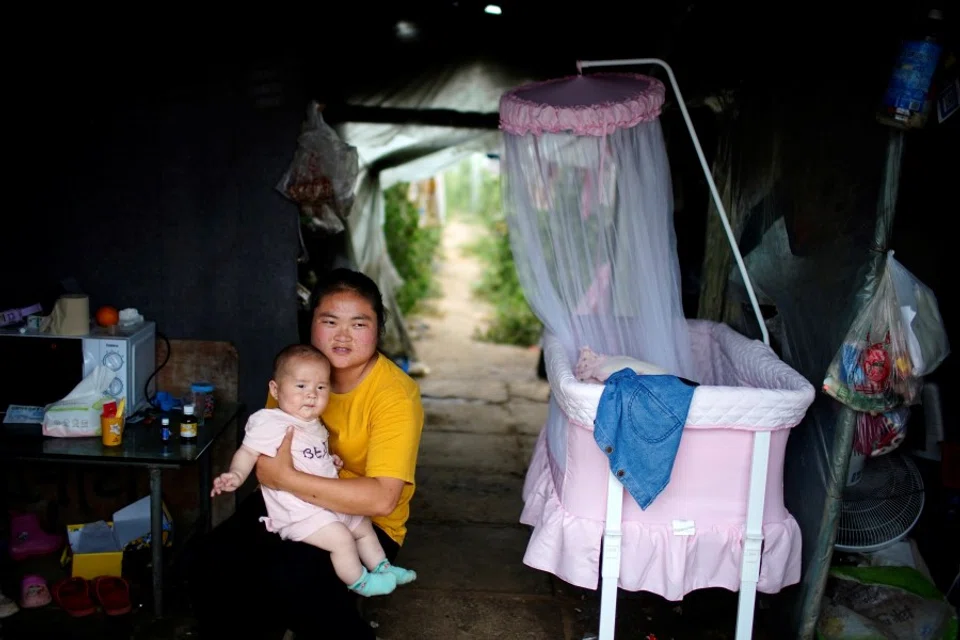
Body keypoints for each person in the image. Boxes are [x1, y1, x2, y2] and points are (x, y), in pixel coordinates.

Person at [188, 269, 425, 639]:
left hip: (366, 524)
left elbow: (381, 498)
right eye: (330, 321)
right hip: (290, 505)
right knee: (211, 559)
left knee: (292, 576)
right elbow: (265, 466)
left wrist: (288, 478)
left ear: (378, 329)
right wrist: (279, 482)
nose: (343, 335)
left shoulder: (394, 395)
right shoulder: (295, 374)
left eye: (359, 324)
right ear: (311, 324)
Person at [210, 343, 416, 597]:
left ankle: (383, 567)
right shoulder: (269, 421)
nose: (311, 395)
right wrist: (236, 475)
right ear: (275, 389)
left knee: (362, 526)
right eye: (301, 386)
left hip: (324, 501)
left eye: (321, 387)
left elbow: (309, 455)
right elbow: (248, 452)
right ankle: (361, 582)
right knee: (341, 539)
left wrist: (331, 461)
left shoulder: (313, 424)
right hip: (298, 512)